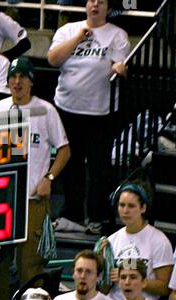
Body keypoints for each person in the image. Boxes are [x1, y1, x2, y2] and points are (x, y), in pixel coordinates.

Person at [48, 0, 129, 235]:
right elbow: (53, 59)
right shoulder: (68, 30)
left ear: (108, 8)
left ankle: (96, 217)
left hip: (100, 112)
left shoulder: (117, 35)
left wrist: (120, 69)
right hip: (66, 107)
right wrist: (78, 39)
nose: (95, 5)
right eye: (92, 0)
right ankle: (72, 215)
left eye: (101, 1)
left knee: (98, 167)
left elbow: (119, 65)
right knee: (71, 165)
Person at [0, 57, 69, 289]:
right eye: (13, 77)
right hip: (1, 199)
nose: (17, 82)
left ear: (31, 81)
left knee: (31, 265)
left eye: (23, 77)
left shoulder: (46, 110)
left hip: (33, 200)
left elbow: (64, 150)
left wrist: (49, 178)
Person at [102, 183, 174, 300]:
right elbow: (103, 288)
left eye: (131, 206)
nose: (125, 211)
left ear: (143, 208)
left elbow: (164, 287)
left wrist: (128, 278)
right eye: (122, 205)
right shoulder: (111, 240)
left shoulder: (159, 241)